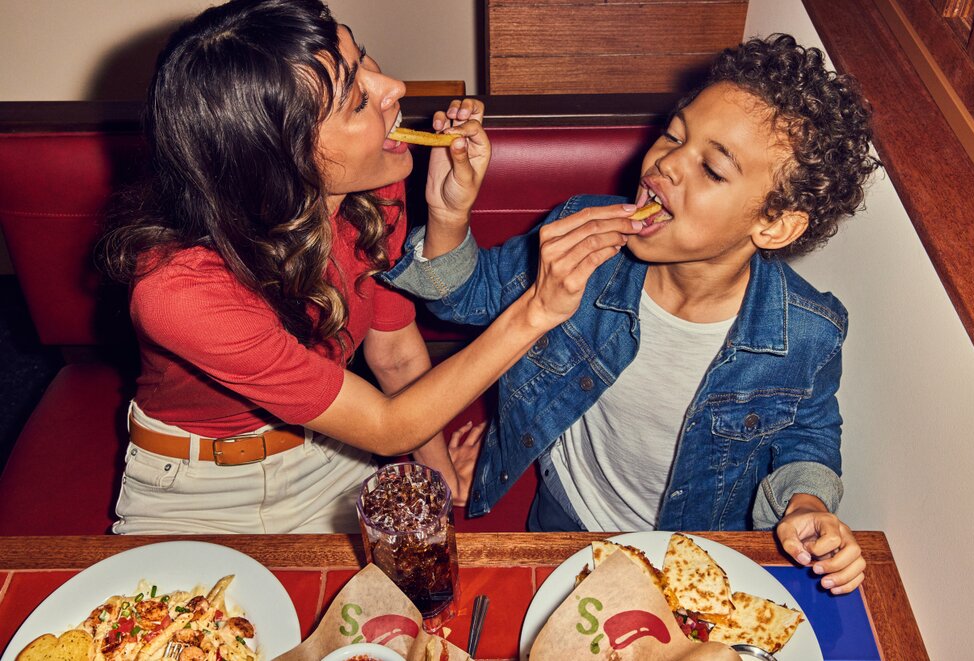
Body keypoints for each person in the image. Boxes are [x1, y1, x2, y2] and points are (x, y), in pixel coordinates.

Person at [98, 0, 641, 534]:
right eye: (358, 100)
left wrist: (441, 476)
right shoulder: (176, 289)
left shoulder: (374, 187)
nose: (395, 88)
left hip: (336, 452)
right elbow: (385, 427)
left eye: (365, 62)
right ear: (283, 159)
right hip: (197, 485)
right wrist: (538, 309)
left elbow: (397, 355)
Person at [383, 34, 880, 594]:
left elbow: (809, 434)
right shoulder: (586, 234)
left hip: (694, 554)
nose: (666, 164)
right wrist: (450, 212)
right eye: (673, 134)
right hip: (565, 516)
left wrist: (807, 500)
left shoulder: (809, 332)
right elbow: (466, 299)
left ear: (773, 225)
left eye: (712, 169)